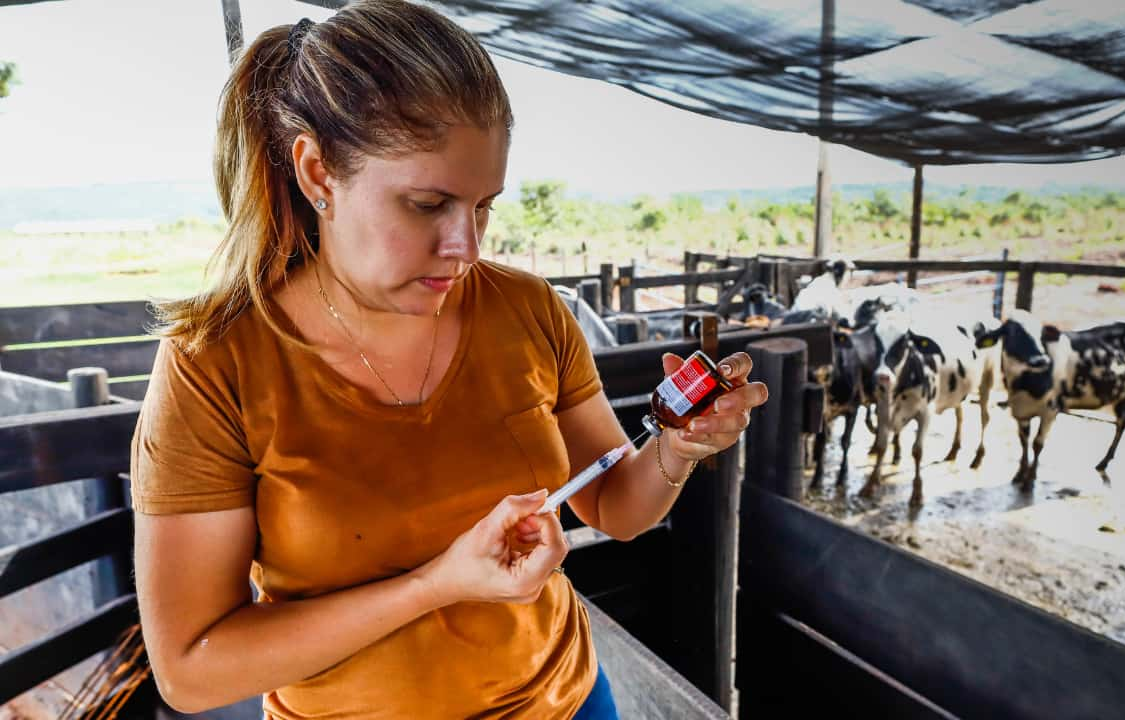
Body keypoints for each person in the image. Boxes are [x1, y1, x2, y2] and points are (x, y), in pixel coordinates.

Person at [128, 2, 768, 718]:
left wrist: (675, 450)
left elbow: (616, 508)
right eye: (428, 204)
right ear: (317, 174)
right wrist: (435, 585)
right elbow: (191, 670)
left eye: (483, 206)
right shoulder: (214, 364)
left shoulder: (526, 310)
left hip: (568, 701)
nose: (466, 248)